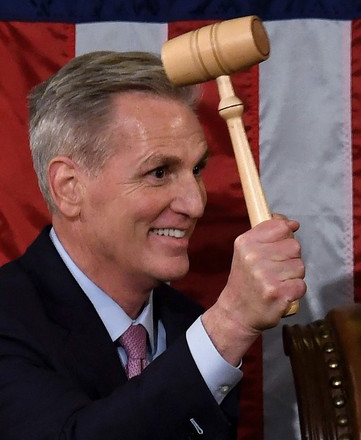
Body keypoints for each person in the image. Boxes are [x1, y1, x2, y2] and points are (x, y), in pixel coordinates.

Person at [0, 50, 306, 439]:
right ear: (70, 188)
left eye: (196, 170)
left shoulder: (187, 326)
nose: (195, 204)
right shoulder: (10, 317)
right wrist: (229, 323)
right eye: (159, 172)